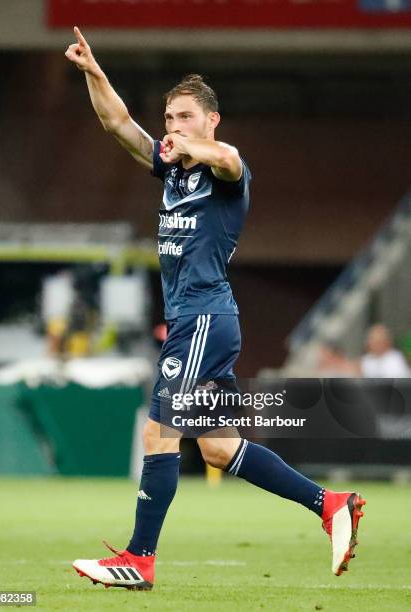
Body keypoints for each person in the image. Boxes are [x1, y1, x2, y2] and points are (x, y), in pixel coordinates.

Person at [65, 27, 366, 591]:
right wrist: (94, 73)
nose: (171, 128)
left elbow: (225, 158)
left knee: (159, 432)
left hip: (203, 318)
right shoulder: (173, 169)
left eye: (184, 118)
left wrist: (193, 146)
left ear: (209, 119)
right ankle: (332, 504)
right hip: (202, 320)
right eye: (169, 119)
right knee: (219, 447)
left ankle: (139, 558)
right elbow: (116, 124)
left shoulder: (226, 171)